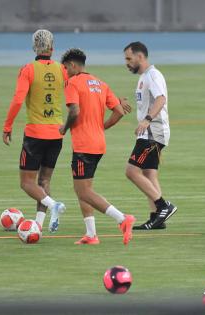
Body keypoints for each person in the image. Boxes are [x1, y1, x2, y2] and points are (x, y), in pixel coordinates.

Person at [59, 48, 135, 245]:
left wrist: (64, 128)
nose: (65, 72)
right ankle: (91, 234)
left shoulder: (72, 83)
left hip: (84, 145)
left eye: (66, 68)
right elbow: (118, 111)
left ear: (73, 66)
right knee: (84, 189)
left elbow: (74, 111)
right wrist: (101, 128)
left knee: (83, 191)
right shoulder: (100, 84)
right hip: (98, 143)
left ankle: (122, 219)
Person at [2, 29, 66, 233]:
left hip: (35, 135)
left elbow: (18, 100)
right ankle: (38, 224)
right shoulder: (62, 70)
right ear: (52, 48)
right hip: (57, 134)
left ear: (34, 48)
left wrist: (7, 126)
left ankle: (52, 204)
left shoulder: (28, 70)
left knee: (27, 182)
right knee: (44, 180)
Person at [123, 42, 177, 230]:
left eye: (129, 59)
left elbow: (161, 99)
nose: (127, 63)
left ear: (140, 56)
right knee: (149, 173)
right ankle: (157, 218)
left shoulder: (153, 75)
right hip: (148, 132)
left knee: (131, 171)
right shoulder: (144, 77)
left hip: (153, 132)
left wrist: (147, 119)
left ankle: (163, 206)